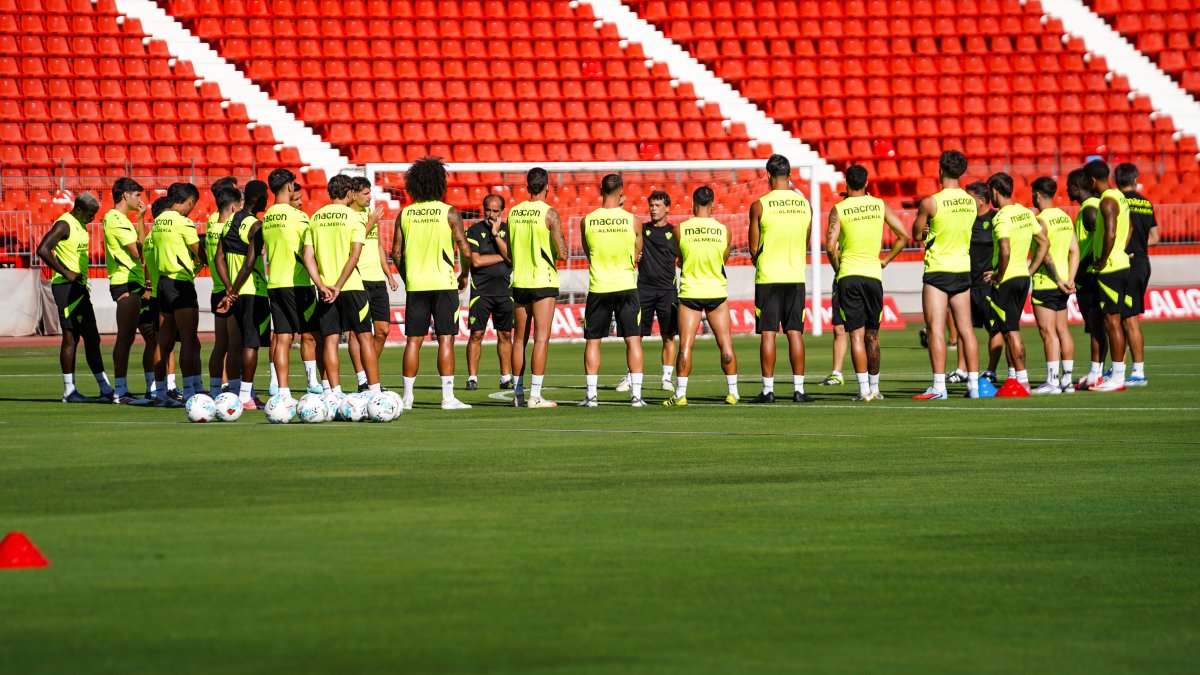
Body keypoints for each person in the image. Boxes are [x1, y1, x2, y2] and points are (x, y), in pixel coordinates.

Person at [391, 158, 472, 410]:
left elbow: (395, 253)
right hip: (443, 283)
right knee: (446, 338)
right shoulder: (449, 212)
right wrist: (464, 274)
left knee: (413, 340)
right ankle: (447, 398)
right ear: (440, 183)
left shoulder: (404, 213)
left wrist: (408, 277)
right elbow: (465, 250)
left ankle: (407, 398)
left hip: (416, 285)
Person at [825, 165, 910, 402]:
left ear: (846, 184)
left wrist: (838, 268)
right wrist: (885, 261)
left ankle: (863, 391)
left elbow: (830, 246)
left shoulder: (839, 209)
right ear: (867, 183)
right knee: (872, 336)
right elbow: (904, 235)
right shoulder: (879, 205)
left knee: (855, 335)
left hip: (849, 276)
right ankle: (875, 389)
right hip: (873, 276)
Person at [303, 175, 382, 397]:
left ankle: (333, 393)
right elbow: (354, 255)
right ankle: (374, 392)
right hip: (351, 286)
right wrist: (339, 285)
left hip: (326, 289)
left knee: (330, 339)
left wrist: (322, 284)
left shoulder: (316, 217)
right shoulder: (354, 217)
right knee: (365, 335)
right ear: (349, 194)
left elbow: (308, 256)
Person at [912, 150, 981, 399]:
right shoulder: (970, 202)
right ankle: (973, 384)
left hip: (938, 270)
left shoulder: (931, 202)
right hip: (962, 269)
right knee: (966, 330)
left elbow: (917, 234)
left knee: (935, 330)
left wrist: (926, 226)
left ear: (940, 169)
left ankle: (939, 386)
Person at [664, 186, 739, 407]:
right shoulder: (724, 231)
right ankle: (732, 392)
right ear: (713, 204)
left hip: (691, 293)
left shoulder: (680, 229)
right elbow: (723, 259)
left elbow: (680, 258)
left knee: (686, 345)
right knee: (725, 344)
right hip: (716, 292)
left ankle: (680, 395)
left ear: (693, 204)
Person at [747, 154, 814, 404]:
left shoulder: (760, 205)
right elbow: (806, 241)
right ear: (790, 175)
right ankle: (799, 390)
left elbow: (753, 248)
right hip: (795, 276)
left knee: (768, 333)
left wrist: (759, 258)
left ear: (768, 176)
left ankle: (768, 390)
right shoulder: (805, 205)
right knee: (795, 332)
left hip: (768, 278)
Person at [37, 193, 112, 403]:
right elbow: (42, 249)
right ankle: (69, 391)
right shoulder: (65, 224)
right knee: (71, 337)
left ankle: (105, 388)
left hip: (78, 289)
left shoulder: (80, 224)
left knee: (92, 338)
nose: (93, 218)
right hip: (66, 288)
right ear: (78, 209)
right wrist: (66, 272)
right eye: (90, 214)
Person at [578, 174, 644, 407]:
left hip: (599, 286)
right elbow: (637, 255)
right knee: (633, 340)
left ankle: (591, 396)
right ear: (621, 192)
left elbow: (588, 252)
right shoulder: (633, 221)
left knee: (593, 341)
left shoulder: (587, 221)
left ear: (601, 191)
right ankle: (636, 396)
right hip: (626, 285)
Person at [504, 167, 567, 408]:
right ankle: (535, 396)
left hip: (519, 281)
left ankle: (518, 395)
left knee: (519, 339)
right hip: (543, 280)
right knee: (541, 338)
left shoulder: (514, 212)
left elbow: (510, 252)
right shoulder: (550, 213)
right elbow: (563, 253)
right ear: (547, 186)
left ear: (527, 186)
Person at [984, 172, 1049, 390]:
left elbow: (1004, 249)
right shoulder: (1025, 213)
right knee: (1009, 328)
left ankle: (1022, 381)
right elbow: (1043, 243)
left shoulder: (1001, 217)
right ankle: (1014, 377)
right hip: (1022, 277)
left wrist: (998, 276)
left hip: (1007, 280)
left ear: (994, 191)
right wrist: (1030, 269)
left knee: (1011, 331)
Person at [261, 171, 322, 398]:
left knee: (283, 337)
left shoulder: (267, 216)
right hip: (297, 283)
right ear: (289, 187)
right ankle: (315, 383)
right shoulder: (299, 217)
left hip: (275, 283)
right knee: (312, 335)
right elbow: (309, 251)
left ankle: (281, 389)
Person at [215, 181, 271, 408]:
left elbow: (219, 258)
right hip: (251, 291)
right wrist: (234, 292)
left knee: (235, 343)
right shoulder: (255, 225)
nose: (268, 199)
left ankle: (236, 390)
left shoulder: (229, 221)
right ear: (259, 198)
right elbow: (249, 264)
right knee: (251, 343)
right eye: (266, 195)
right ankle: (246, 396)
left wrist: (228, 288)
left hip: (235, 291)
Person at [102, 177, 156, 404]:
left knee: (153, 337)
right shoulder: (115, 219)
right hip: (125, 283)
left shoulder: (123, 219)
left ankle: (152, 388)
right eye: (137, 195)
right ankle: (120, 390)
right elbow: (137, 252)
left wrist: (142, 219)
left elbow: (139, 246)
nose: (140, 200)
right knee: (125, 338)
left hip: (134, 283)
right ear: (125, 195)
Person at [617, 190, 678, 393]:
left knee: (668, 335)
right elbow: (620, 226)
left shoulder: (675, 232)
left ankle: (667, 379)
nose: (653, 208)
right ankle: (630, 376)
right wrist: (618, 206)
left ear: (667, 208)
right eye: (651, 205)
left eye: (658, 205)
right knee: (636, 336)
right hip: (643, 290)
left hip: (668, 291)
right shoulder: (641, 230)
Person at [149, 182, 204, 405]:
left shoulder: (159, 220)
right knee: (189, 341)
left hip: (162, 284)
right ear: (190, 201)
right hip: (180, 283)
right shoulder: (183, 223)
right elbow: (199, 252)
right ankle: (190, 391)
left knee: (164, 342)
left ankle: (161, 393)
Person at [1085, 160, 1136, 392]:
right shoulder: (1120, 198)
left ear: (1092, 180)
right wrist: (1121, 252)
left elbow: (1111, 232)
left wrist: (1105, 258)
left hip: (1110, 269)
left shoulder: (1106, 201)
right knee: (1110, 320)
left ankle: (1117, 377)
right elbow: (1131, 228)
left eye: (1088, 181)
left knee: (1112, 322)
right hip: (1120, 265)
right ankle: (1115, 375)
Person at [1029, 176, 1079, 394]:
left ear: (1038, 195)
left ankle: (1052, 381)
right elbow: (1074, 250)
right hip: (1065, 284)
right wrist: (1070, 279)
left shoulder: (1040, 221)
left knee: (1048, 332)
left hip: (1046, 281)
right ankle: (1066, 381)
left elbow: (1044, 253)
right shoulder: (1065, 218)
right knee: (1062, 330)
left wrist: (1058, 279)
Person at [953, 181, 1005, 384]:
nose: (966, 201)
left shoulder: (995, 219)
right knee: (962, 327)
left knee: (994, 328)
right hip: (965, 281)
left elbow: (1007, 245)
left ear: (982, 200)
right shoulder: (964, 219)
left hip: (987, 284)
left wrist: (998, 270)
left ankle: (991, 371)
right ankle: (961, 369)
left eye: (970, 198)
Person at [347, 176, 395, 392]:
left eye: (370, 193)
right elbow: (352, 244)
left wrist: (389, 275)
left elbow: (377, 247)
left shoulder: (369, 215)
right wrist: (371, 222)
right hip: (359, 280)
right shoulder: (349, 217)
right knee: (357, 332)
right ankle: (362, 380)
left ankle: (369, 374)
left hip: (377, 281)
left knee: (383, 330)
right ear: (354, 195)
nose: (370, 197)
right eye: (365, 194)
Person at [465, 194, 514, 391]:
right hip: (481, 292)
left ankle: (505, 377)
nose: (491, 214)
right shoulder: (474, 230)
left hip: (505, 292)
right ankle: (472, 378)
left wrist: (496, 235)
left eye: (495, 211)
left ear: (502, 211)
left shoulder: (509, 230)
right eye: (488, 210)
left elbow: (514, 259)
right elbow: (476, 261)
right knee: (476, 334)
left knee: (505, 335)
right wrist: (504, 257)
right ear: (483, 208)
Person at [1115, 162, 1156, 386]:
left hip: (1126, 263)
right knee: (1123, 317)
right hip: (1142, 261)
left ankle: (1138, 371)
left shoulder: (1117, 201)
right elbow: (1156, 237)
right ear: (1135, 179)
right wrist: (1140, 247)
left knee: (1128, 318)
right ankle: (1120, 367)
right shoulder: (1146, 203)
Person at [1067, 169, 1106, 390]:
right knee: (1097, 327)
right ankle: (1096, 373)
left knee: (1095, 326)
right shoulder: (1092, 207)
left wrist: (1085, 266)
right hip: (1090, 276)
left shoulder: (1090, 209)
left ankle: (1095, 373)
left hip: (1090, 278)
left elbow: (1099, 239)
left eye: (1067, 186)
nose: (1065, 190)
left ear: (1075, 187)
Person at [203, 176, 238, 398]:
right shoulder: (229, 225)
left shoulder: (211, 222)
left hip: (216, 288)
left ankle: (218, 387)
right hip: (230, 289)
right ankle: (236, 389)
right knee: (236, 343)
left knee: (221, 343)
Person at [818, 287, 848, 386]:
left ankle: (871, 379)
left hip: (869, 281)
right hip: (843, 281)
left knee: (869, 333)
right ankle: (837, 374)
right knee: (839, 328)